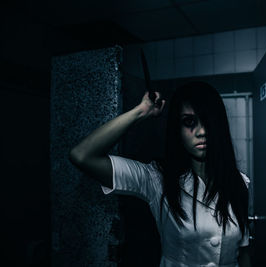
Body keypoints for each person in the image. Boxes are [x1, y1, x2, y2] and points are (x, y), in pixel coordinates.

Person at [69, 81, 252, 267]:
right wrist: (141, 112)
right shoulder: (157, 178)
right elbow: (82, 156)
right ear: (177, 129)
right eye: (189, 122)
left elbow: (243, 253)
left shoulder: (239, 183)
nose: (202, 132)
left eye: (208, 122)